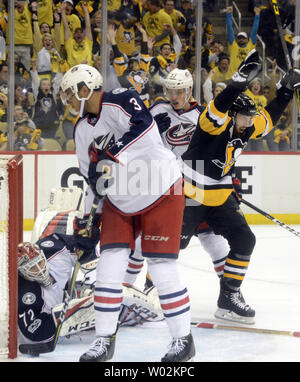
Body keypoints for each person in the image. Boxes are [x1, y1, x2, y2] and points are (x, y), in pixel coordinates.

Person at [60, 63, 195, 362]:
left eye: (70, 93)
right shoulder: (81, 129)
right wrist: (90, 219)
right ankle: (104, 341)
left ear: (85, 89)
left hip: (161, 189)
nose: (67, 99)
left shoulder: (120, 98)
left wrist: (112, 152)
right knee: (108, 267)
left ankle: (182, 339)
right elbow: (91, 176)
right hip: (120, 201)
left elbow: (144, 125)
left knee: (160, 265)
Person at [179, 49, 300, 324]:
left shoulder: (245, 125)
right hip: (190, 194)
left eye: (249, 118)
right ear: (232, 116)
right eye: (244, 117)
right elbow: (218, 109)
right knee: (172, 246)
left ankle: (228, 298)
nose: (248, 123)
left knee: (246, 240)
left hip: (221, 197)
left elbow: (267, 119)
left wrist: (284, 91)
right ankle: (139, 288)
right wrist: (236, 83)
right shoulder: (212, 125)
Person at [124, 68, 230, 290]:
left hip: (194, 183)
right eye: (170, 91)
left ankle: (230, 292)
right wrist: (151, 130)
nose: (174, 97)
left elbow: (216, 152)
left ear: (189, 90)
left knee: (212, 239)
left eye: (179, 91)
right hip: (162, 183)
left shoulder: (203, 115)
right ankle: (136, 290)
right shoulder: (158, 110)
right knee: (152, 239)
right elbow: (131, 140)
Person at [18, 231, 163, 350]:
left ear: (43, 255)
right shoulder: (26, 293)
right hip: (58, 309)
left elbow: (83, 244)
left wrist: (92, 273)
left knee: (106, 295)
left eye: (40, 263)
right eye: (32, 268)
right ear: (22, 272)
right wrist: (70, 314)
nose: (40, 270)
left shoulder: (53, 250)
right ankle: (132, 312)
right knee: (106, 309)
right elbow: (34, 333)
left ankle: (146, 301)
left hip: (72, 292)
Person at [225, 6, 261, 76]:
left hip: (245, 78)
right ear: (237, 39)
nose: (241, 39)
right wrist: (228, 15)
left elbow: (254, 30)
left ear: (248, 39)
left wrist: (257, 15)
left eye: (243, 38)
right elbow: (230, 30)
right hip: (232, 77)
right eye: (239, 38)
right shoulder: (233, 46)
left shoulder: (251, 45)